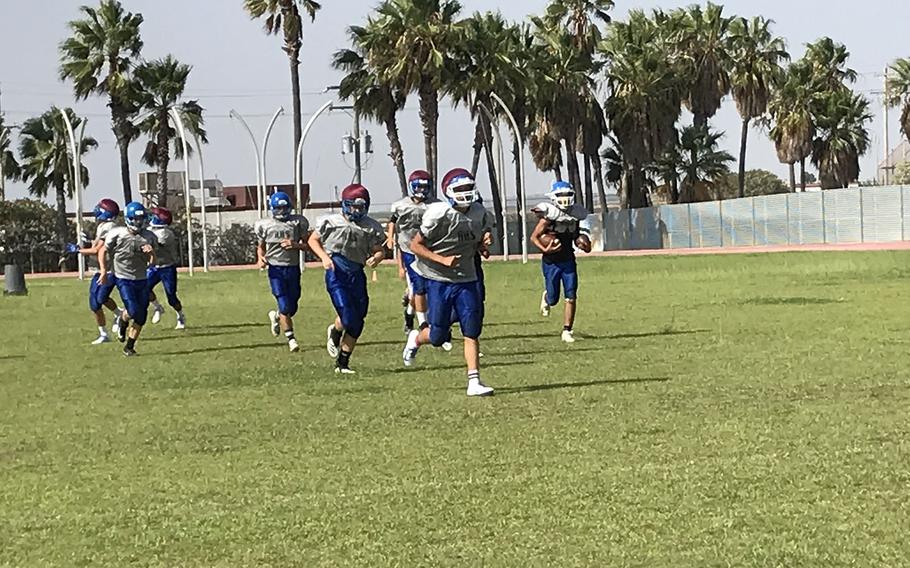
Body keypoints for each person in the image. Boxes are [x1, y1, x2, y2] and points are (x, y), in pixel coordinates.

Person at [402, 168, 495, 397]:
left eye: (468, 188)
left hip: (467, 278)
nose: (465, 193)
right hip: (439, 279)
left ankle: (474, 381)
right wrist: (441, 259)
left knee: (471, 330)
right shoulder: (439, 213)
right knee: (437, 337)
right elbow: (416, 245)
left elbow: (477, 237)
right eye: (460, 189)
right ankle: (416, 337)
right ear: (448, 191)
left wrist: (483, 244)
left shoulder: (479, 212)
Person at [308, 184, 386, 375]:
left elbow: (380, 250)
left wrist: (376, 257)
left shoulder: (371, 226)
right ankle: (336, 334)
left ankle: (342, 363)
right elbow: (312, 240)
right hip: (336, 271)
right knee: (349, 317)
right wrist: (325, 258)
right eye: (353, 206)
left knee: (358, 319)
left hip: (357, 273)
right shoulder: (331, 221)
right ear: (345, 204)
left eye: (361, 207)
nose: (357, 211)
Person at [388, 170, 453, 352]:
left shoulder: (437, 205)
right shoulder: (401, 205)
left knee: (432, 288)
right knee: (419, 289)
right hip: (410, 251)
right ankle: (424, 325)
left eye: (425, 186)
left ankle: (416, 317)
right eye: (419, 186)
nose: (422, 190)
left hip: (430, 250)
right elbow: (392, 222)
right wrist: (391, 238)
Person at [531, 180, 592, 343]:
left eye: (567, 195)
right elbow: (534, 237)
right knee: (553, 298)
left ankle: (567, 330)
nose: (564, 199)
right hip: (551, 262)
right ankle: (547, 297)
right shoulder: (549, 214)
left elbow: (582, 236)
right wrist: (545, 249)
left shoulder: (577, 214)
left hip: (568, 259)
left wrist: (583, 243)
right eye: (561, 195)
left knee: (571, 295)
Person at [98, 202, 158, 357]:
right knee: (132, 310)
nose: (140, 222)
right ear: (129, 219)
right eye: (136, 219)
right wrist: (104, 271)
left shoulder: (149, 236)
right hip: (123, 278)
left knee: (141, 316)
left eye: (141, 219)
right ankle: (122, 321)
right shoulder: (117, 233)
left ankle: (129, 347)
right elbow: (103, 250)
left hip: (141, 278)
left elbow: (152, 263)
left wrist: (151, 254)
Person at [254, 192, 311, 353]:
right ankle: (291, 338)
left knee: (292, 307)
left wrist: (295, 245)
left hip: (293, 268)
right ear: (273, 208)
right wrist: (261, 258)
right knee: (285, 304)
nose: (282, 211)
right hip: (275, 269)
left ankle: (277, 316)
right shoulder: (265, 225)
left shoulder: (298, 222)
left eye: (284, 207)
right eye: (278, 208)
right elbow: (261, 246)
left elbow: (308, 245)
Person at [68, 198, 125, 345]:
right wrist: (87, 241)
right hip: (100, 269)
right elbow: (96, 246)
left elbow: (96, 250)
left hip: (110, 269)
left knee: (101, 298)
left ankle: (119, 314)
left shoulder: (109, 227)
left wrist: (78, 250)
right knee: (94, 303)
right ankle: (104, 333)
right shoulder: (103, 226)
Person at [146, 207, 186, 330]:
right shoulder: (150, 229)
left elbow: (154, 246)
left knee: (171, 296)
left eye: (154, 216)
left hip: (167, 267)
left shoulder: (166, 233)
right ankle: (157, 307)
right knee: (144, 288)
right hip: (154, 267)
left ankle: (180, 315)